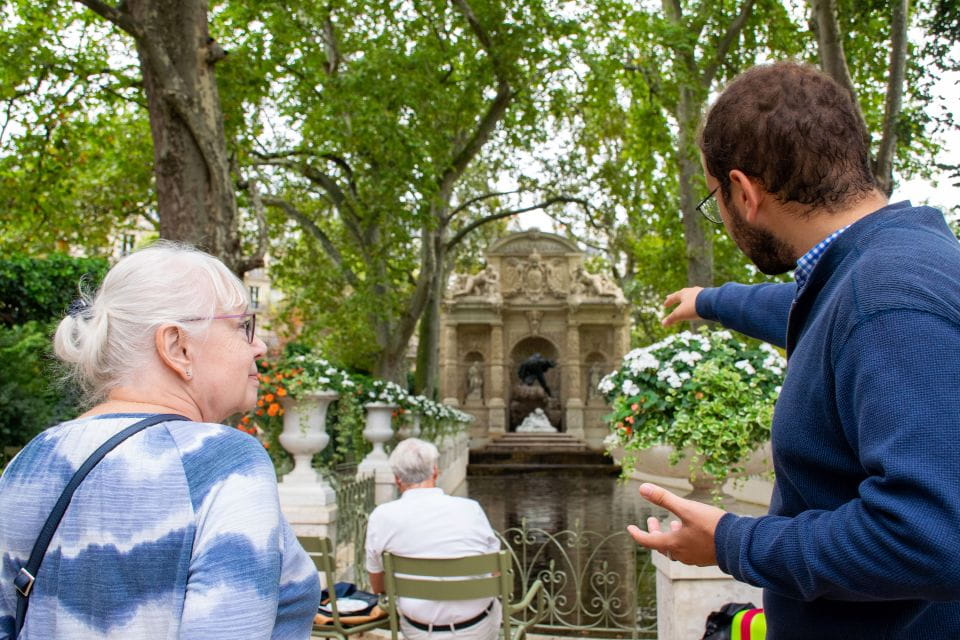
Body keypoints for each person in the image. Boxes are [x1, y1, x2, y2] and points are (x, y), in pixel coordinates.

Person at [627, 61, 960, 638]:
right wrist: (712, 301)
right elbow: (813, 311)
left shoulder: (888, 297)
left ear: (744, 192)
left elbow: (930, 536)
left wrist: (732, 542)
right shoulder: (881, 271)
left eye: (715, 200)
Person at [0, 242, 321, 639]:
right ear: (177, 346)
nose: (260, 345)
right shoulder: (221, 462)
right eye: (242, 326)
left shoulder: (31, 460)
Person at [365, 438, 501, 640]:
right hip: (477, 629)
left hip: (419, 631)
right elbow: (495, 571)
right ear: (435, 471)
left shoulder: (382, 516)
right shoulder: (470, 509)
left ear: (397, 479)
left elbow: (378, 587)